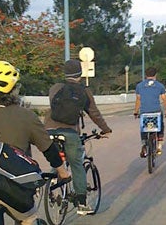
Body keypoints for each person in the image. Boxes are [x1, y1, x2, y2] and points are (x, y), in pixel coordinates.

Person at [0, 61, 70, 225]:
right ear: (13, 89)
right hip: (12, 188)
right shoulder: (26, 116)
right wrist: (62, 172)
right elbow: (48, 148)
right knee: (29, 219)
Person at [44, 59, 112, 215]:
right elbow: (93, 113)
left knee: (57, 159)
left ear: (65, 73)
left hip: (49, 131)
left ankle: (53, 182)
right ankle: (81, 203)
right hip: (69, 133)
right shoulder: (84, 91)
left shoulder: (55, 88)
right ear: (80, 74)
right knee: (76, 164)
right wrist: (105, 129)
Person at [134, 67, 166, 157]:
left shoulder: (139, 86)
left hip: (144, 112)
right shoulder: (160, 86)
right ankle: (159, 143)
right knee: (160, 125)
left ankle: (144, 144)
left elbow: (138, 100)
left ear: (145, 75)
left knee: (143, 127)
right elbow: (165, 100)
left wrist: (136, 111)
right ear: (155, 75)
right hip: (156, 111)